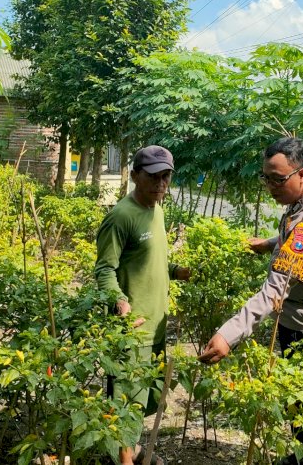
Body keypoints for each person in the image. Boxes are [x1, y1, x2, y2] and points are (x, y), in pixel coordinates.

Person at [199, 137, 303, 465]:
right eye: (265, 177)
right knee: (300, 405)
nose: (269, 186)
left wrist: (228, 335)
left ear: (302, 174)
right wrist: (271, 244)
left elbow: (274, 290)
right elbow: (296, 240)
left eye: (277, 179)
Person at [95, 145, 189, 465]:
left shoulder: (157, 209)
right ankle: (123, 458)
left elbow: (153, 262)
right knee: (125, 399)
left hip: (156, 325)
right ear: (135, 176)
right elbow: (105, 270)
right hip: (132, 330)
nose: (161, 184)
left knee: (144, 397)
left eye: (166, 177)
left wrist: (177, 272)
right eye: (153, 177)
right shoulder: (121, 216)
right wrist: (119, 300)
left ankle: (130, 451)